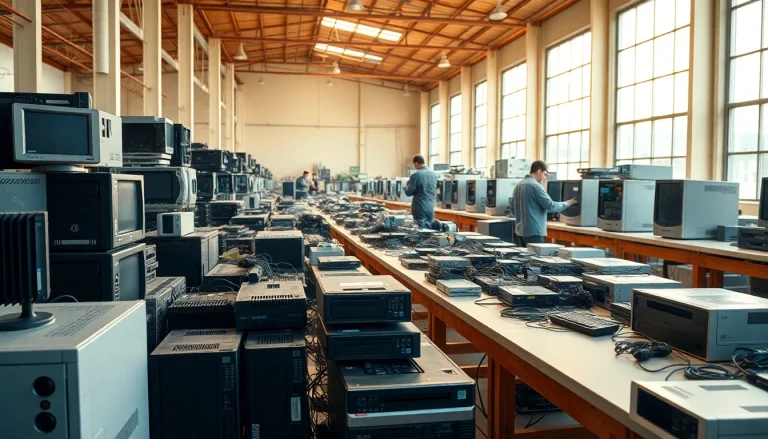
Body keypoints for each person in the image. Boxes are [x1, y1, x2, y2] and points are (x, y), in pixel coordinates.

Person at [511, 160, 577, 246]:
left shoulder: (519, 185)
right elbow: (551, 206)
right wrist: (568, 203)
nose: (545, 178)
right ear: (539, 171)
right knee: (536, 258)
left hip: (520, 231)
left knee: (525, 258)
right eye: (545, 174)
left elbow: (513, 208)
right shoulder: (535, 186)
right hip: (534, 232)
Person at [404, 155, 438, 229]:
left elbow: (408, 193)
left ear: (416, 163)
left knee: (421, 232)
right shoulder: (434, 174)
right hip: (430, 206)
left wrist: (405, 186)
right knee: (430, 231)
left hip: (420, 207)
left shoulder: (416, 175)